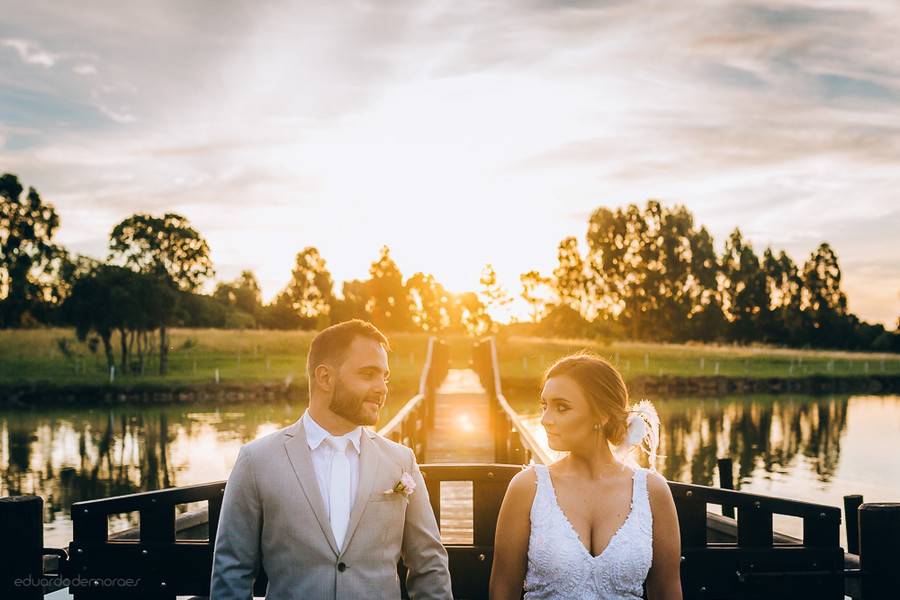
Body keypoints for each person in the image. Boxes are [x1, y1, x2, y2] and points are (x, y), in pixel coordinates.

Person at [211, 319, 452, 599]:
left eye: (384, 376)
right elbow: (232, 572)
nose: (382, 388)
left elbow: (429, 564)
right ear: (325, 377)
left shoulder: (401, 461)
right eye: (368, 374)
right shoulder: (257, 461)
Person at [489, 353, 682, 600]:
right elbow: (502, 590)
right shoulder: (528, 487)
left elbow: (668, 591)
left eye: (562, 407)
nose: (545, 419)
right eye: (544, 405)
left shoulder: (652, 490)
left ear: (602, 414)